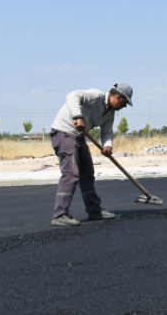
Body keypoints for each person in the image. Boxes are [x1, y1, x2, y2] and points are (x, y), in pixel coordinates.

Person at [50, 84, 133, 226]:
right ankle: (60, 214)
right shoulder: (96, 96)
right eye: (125, 103)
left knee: (87, 173)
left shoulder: (110, 113)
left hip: (79, 136)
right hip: (64, 132)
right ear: (119, 97)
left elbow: (107, 133)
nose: (124, 107)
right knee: (71, 173)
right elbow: (72, 95)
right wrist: (77, 116)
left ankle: (94, 210)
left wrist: (108, 146)